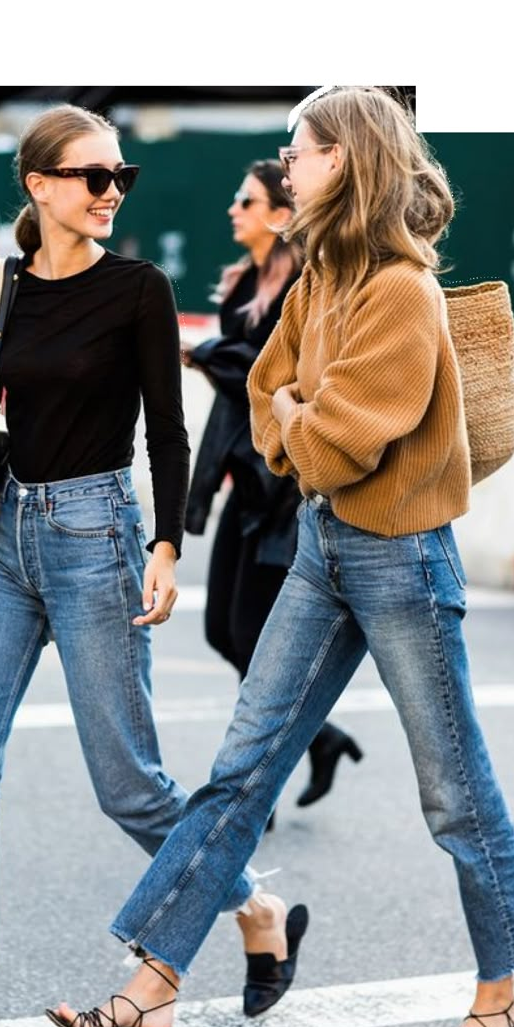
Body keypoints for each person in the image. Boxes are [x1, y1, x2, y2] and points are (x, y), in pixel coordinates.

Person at [46, 87, 514, 1027]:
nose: (287, 160)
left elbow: (328, 445)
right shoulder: (318, 275)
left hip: (403, 556)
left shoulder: (400, 293)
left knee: (452, 791)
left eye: (300, 148)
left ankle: (501, 996)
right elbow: (268, 401)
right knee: (241, 769)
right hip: (322, 552)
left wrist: (290, 412)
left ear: (344, 162)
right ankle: (152, 984)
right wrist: (290, 410)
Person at [0, 104, 285, 1027]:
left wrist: (170, 548)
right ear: (41, 185)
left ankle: (255, 905)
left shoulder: (138, 289)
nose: (110, 193)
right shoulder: (2, 282)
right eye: (94, 177)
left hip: (100, 536)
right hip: (5, 539)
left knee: (131, 788)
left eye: (119, 179)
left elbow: (170, 431)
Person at [182, 159, 362, 829]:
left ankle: (255, 789)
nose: (234, 208)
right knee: (223, 630)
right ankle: (320, 739)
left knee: (251, 633)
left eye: (245, 198)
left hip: (283, 487)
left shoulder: (298, 291)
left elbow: (268, 378)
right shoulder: (247, 283)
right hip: (246, 477)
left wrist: (204, 355)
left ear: (281, 215)